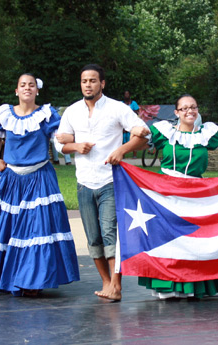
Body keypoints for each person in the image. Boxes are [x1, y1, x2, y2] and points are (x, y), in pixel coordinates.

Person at [0, 73, 80, 296]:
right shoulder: (4, 114)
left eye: (31, 85)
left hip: (39, 177)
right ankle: (6, 277)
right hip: (12, 178)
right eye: (23, 85)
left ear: (37, 90)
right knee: (8, 229)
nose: (27, 88)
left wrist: (75, 141)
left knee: (38, 228)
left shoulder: (46, 114)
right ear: (17, 91)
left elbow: (59, 137)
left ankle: (33, 281)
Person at [54, 64, 149, 302]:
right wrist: (76, 145)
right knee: (92, 236)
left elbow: (143, 132)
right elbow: (59, 143)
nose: (88, 84)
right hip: (84, 181)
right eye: (84, 81)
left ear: (102, 84)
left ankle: (116, 286)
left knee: (110, 233)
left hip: (110, 181)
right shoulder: (72, 111)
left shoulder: (117, 108)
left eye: (93, 81)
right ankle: (106, 282)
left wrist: (123, 149)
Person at [137, 94, 218, 299]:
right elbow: (141, 141)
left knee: (197, 240)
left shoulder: (207, 133)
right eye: (184, 108)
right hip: (168, 192)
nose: (189, 111)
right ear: (176, 113)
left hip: (196, 193)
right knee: (171, 239)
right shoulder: (164, 131)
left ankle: (198, 286)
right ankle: (168, 285)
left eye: (193, 107)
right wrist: (120, 150)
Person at [122, 90, 140, 159]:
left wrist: (129, 112)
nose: (126, 95)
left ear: (130, 95)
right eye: (125, 94)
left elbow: (137, 111)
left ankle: (134, 155)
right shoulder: (121, 103)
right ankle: (123, 155)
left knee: (133, 139)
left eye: (127, 94)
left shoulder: (133, 103)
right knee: (123, 140)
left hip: (132, 123)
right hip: (123, 123)